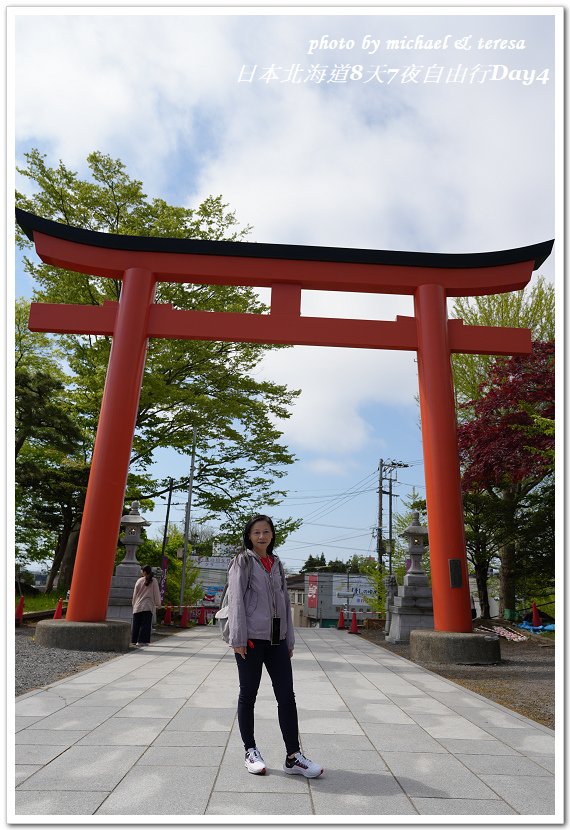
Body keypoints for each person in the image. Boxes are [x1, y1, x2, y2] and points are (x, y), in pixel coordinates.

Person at [227, 514, 323, 778]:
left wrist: (288, 639)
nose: (261, 536)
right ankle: (250, 751)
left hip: (276, 640)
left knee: (286, 696)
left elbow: (284, 604)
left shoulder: (277, 563)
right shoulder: (242, 561)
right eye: (256, 532)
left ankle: (293, 757)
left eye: (266, 532)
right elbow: (235, 600)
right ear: (249, 535)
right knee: (248, 695)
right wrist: (237, 638)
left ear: (272, 535)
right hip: (250, 640)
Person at [131, 565, 162, 646]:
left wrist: (133, 604)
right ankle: (142, 641)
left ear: (144, 572)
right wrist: (158, 604)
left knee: (136, 624)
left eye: (141, 570)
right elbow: (156, 593)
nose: (141, 572)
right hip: (147, 606)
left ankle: (134, 640)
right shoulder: (154, 581)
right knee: (145, 624)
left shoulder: (139, 581)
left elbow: (135, 594)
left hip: (138, 605)